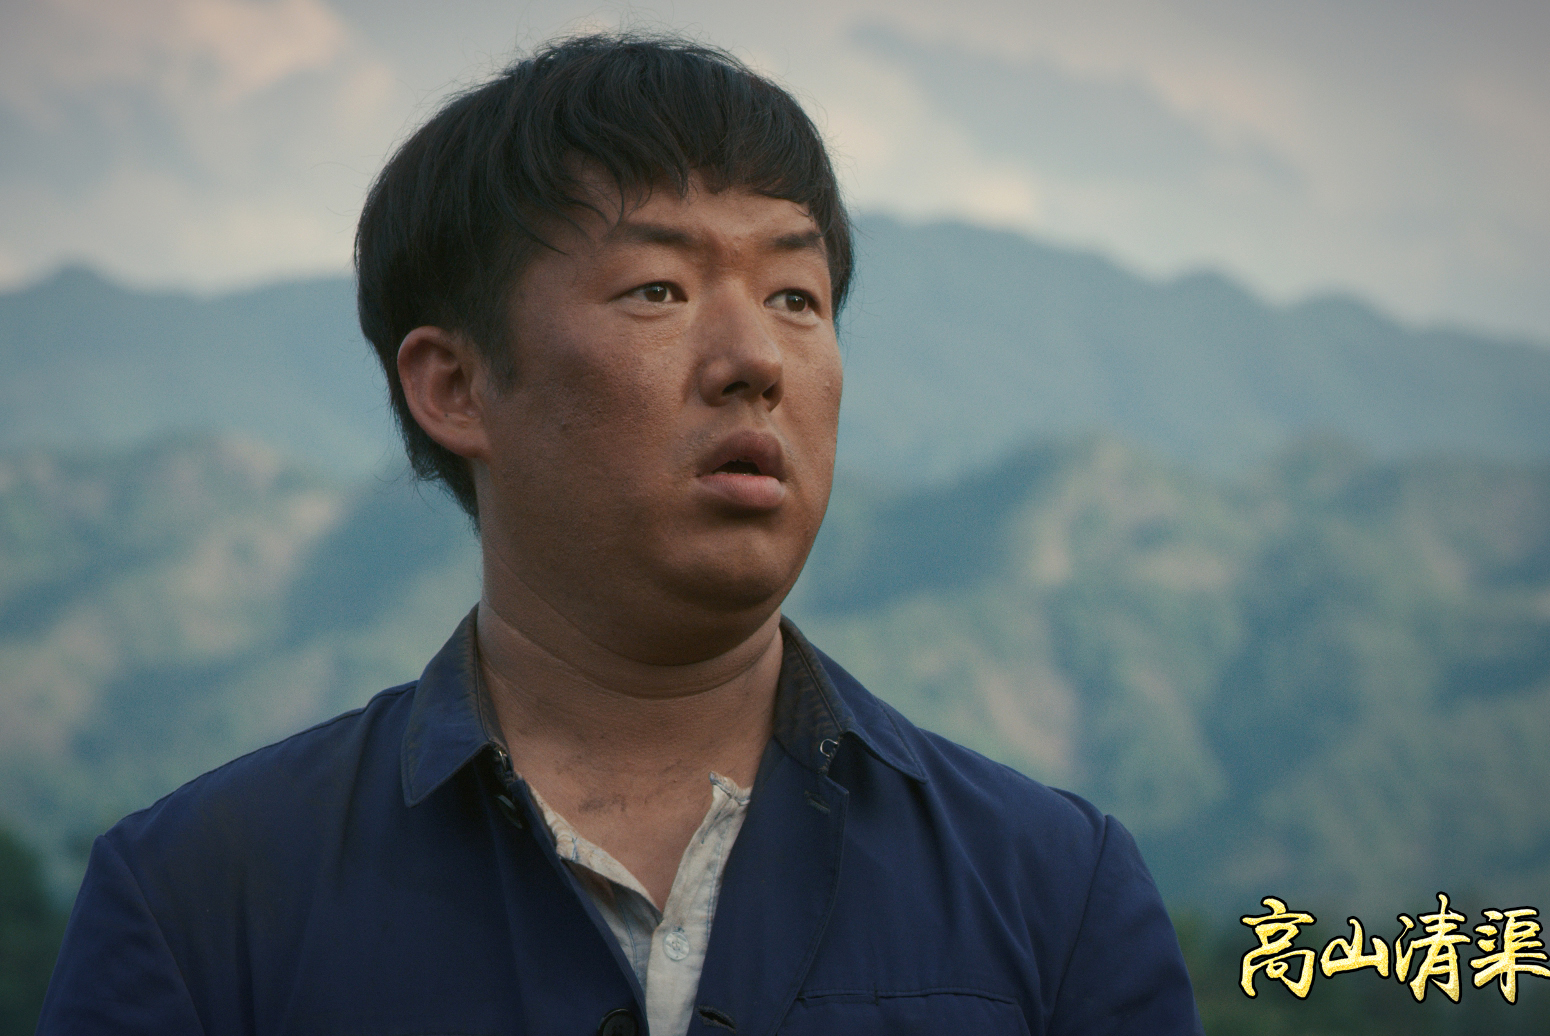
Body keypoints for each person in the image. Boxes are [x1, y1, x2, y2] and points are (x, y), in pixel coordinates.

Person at [40, 32, 1202, 1035]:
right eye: (658, 289)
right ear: (454, 385)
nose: (755, 359)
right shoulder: (203, 896)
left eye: (795, 297)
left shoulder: (1052, 888)